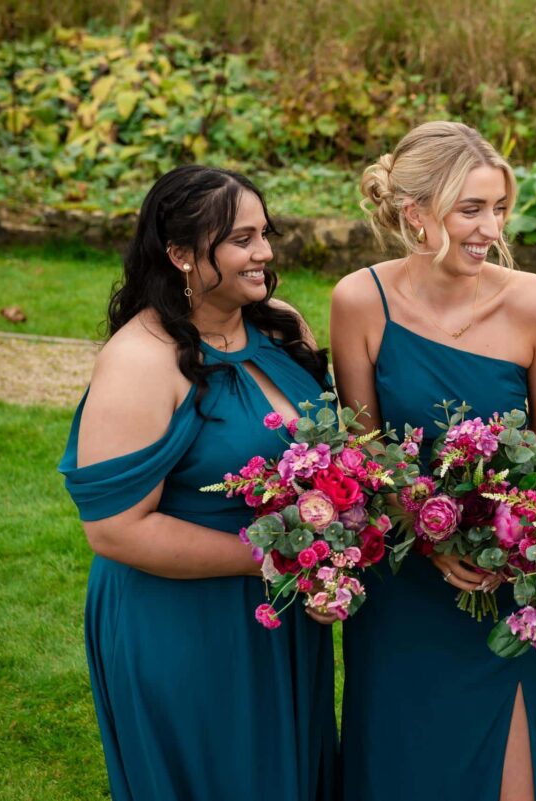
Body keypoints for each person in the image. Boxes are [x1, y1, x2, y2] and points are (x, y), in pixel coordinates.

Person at [58, 165, 336, 800]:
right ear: (180, 254)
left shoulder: (282, 327)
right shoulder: (138, 361)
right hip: (184, 621)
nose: (265, 251)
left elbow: (327, 456)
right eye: (240, 239)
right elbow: (115, 529)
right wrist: (278, 560)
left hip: (280, 610)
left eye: (264, 232)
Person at [330, 121, 536, 801]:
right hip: (403, 584)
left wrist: (512, 534)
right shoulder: (360, 301)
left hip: (506, 584)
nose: (490, 227)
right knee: (401, 762)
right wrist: (429, 533)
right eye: (471, 208)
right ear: (416, 212)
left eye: (498, 208)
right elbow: (364, 449)